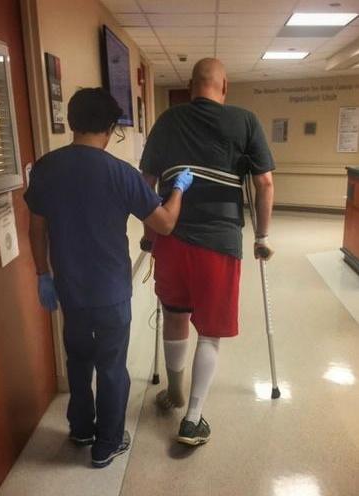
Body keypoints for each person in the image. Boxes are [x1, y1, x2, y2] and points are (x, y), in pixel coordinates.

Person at [24, 87, 193, 468]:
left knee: (79, 361)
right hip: (111, 291)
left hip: (69, 288)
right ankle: (107, 444)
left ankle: (81, 428)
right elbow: (164, 224)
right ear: (111, 127)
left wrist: (42, 273)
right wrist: (179, 190)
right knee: (112, 366)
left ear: (71, 121)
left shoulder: (46, 167)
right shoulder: (121, 173)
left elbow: (37, 229)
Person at [140, 58, 275, 446]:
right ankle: (193, 418)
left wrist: (151, 233)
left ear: (190, 84)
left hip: (172, 237)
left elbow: (146, 182)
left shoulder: (167, 121)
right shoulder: (245, 121)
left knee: (175, 314)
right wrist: (262, 236)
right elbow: (264, 183)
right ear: (225, 86)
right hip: (220, 241)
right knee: (210, 331)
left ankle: (174, 390)